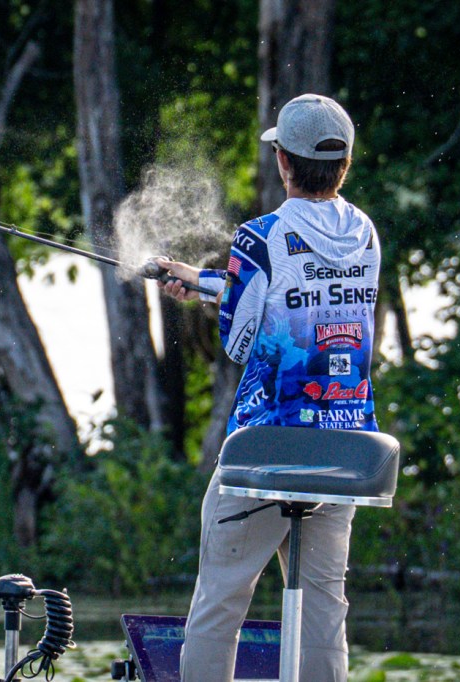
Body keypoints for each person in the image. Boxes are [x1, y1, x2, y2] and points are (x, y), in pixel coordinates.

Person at [157, 93, 380, 682]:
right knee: (325, 607)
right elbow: (300, 286)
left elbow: (241, 341)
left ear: (282, 161)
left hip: (267, 449)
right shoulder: (364, 233)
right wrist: (206, 281)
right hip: (343, 448)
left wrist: (219, 293)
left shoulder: (258, 237)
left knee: (220, 601)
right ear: (344, 164)